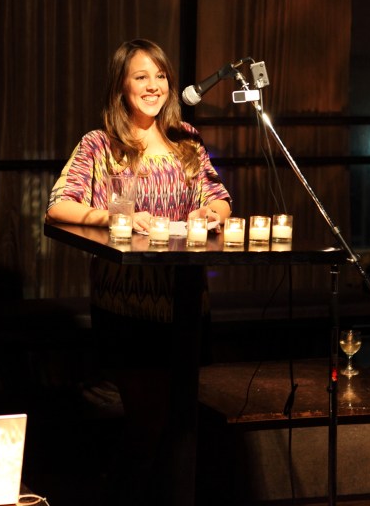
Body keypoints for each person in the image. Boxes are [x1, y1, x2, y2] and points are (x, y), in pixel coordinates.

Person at [45, 39, 231, 504]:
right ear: (121, 86)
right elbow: (58, 207)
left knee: (180, 426)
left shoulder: (187, 138)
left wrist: (210, 213)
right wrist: (114, 217)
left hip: (185, 303)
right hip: (127, 302)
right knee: (147, 422)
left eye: (160, 76)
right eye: (141, 77)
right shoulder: (100, 144)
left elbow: (219, 198)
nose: (153, 86)